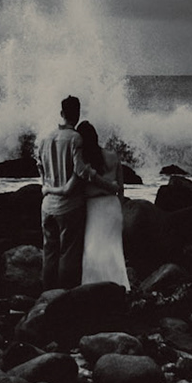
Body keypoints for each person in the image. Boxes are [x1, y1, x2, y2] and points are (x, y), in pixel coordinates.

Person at [36, 95, 105, 290]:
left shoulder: (45, 138)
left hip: (47, 204)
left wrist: (47, 186)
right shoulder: (75, 138)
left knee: (49, 252)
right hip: (69, 206)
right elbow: (81, 170)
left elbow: (39, 167)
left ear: (61, 113)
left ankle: (47, 294)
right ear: (78, 114)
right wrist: (104, 182)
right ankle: (65, 295)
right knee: (68, 253)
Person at [76, 119, 128, 287]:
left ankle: (93, 288)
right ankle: (120, 286)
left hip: (94, 207)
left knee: (92, 251)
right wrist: (120, 209)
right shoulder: (112, 156)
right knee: (114, 251)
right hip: (112, 205)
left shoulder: (83, 161)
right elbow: (121, 188)